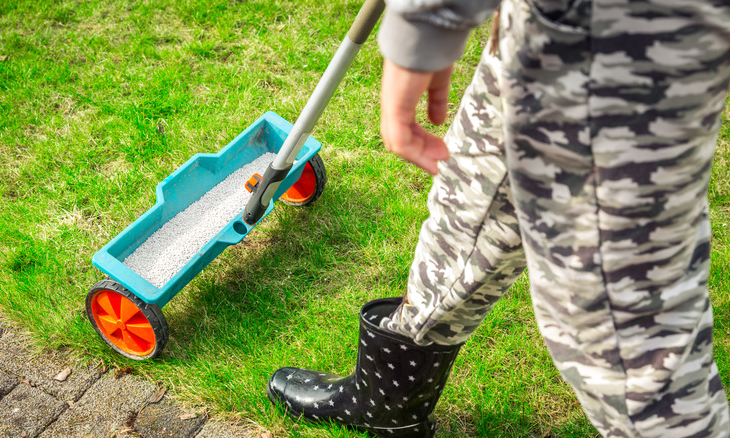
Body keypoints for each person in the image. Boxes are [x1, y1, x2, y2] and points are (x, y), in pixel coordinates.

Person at [267, 0, 730, 437]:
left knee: (621, 318)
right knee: (477, 186)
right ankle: (389, 401)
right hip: (555, 23)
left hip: (620, 35)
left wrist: (427, 23)